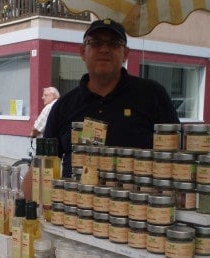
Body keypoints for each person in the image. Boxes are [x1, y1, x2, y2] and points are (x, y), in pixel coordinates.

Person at [44, 18, 180, 178]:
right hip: (75, 200)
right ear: (82, 52)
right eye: (95, 43)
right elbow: (43, 165)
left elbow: (176, 154)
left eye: (114, 43)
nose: (104, 49)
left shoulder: (153, 95)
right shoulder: (64, 106)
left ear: (126, 54)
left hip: (139, 200)